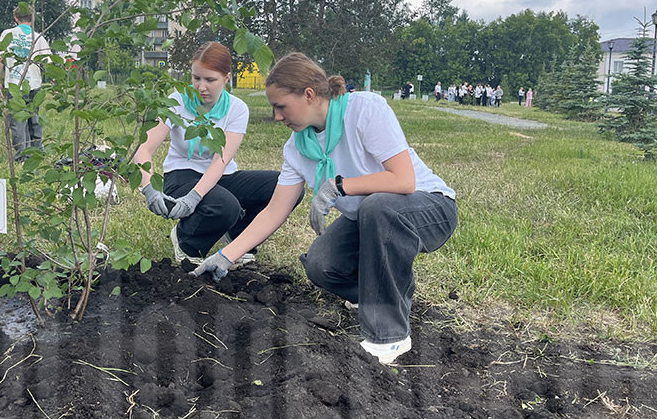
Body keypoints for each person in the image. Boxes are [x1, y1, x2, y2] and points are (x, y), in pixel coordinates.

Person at [191, 52, 457, 364]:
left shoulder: (364, 110)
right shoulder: (296, 148)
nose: (277, 117)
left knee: (377, 206)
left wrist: (339, 186)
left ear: (309, 94)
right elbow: (274, 211)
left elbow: (404, 181)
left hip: (429, 208)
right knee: (321, 265)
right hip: (371, 217)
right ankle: (384, 295)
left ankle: (389, 338)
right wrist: (226, 256)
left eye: (281, 106)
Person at [133, 42, 293, 265]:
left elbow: (222, 159)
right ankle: (186, 242)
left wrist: (194, 198)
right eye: (196, 78)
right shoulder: (176, 101)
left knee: (283, 186)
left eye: (210, 80)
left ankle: (239, 237)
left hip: (222, 175)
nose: (201, 87)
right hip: (182, 175)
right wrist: (149, 187)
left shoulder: (237, 109)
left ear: (227, 78)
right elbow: (144, 148)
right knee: (225, 206)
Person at [0, 6, 50, 160]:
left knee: (17, 121)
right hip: (34, 83)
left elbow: (1, 58)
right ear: (32, 18)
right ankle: (36, 152)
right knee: (34, 118)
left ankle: (21, 155)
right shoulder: (38, 37)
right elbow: (47, 61)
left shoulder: (7, 34)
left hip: (15, 84)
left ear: (15, 18)